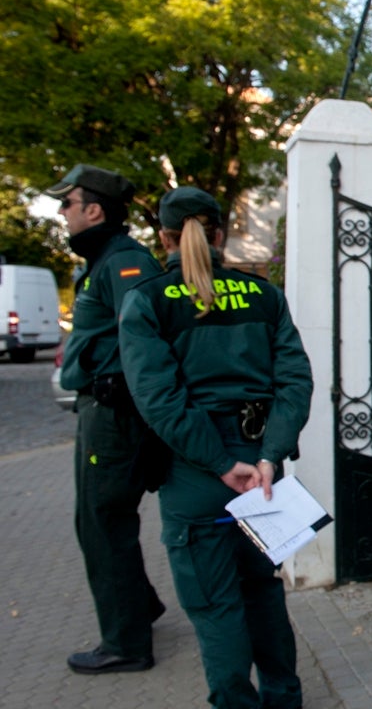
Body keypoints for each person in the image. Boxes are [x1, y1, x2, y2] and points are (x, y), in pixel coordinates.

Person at [118, 186, 313, 709]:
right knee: (262, 592)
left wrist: (222, 463)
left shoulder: (148, 300)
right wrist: (268, 456)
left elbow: (158, 399)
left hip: (197, 471)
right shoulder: (264, 296)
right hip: (261, 467)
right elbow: (294, 383)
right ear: (221, 233)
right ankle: (283, 699)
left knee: (215, 604)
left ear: (163, 237)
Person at [49, 164, 166, 675]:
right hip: (98, 409)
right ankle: (139, 608)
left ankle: (126, 642)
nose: (61, 212)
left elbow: (144, 334)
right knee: (96, 519)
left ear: (94, 209)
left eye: (67, 203)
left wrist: (116, 380)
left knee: (104, 522)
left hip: (114, 415)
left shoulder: (124, 262)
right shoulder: (104, 260)